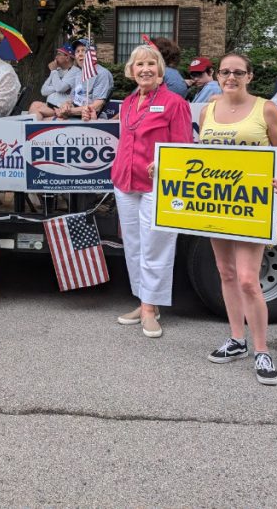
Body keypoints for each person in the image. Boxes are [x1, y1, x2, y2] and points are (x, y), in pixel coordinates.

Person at [198, 53, 277, 386]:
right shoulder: (207, 110)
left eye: (238, 72)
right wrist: (166, 168)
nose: (231, 77)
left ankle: (262, 350)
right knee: (226, 272)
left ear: (250, 76)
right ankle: (237, 339)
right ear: (217, 76)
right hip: (217, 204)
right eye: (225, 72)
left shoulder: (266, 109)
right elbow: (200, 154)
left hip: (251, 205)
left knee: (249, 280)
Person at [111, 44, 193, 339]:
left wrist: (164, 161)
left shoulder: (174, 103)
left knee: (156, 246)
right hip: (125, 181)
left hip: (156, 184)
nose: (145, 69)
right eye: (139, 64)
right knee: (133, 246)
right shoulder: (128, 102)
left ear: (160, 70)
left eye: (151, 63)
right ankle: (145, 301)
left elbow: (184, 146)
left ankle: (149, 307)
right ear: (131, 70)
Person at [55, 39, 114, 120]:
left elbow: (97, 106)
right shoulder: (79, 74)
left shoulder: (102, 73)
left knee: (52, 121)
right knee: (40, 112)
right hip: (74, 115)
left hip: (91, 118)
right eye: (77, 51)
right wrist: (66, 105)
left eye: (84, 50)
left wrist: (70, 111)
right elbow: (72, 99)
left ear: (92, 54)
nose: (80, 54)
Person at [29, 43, 79, 120]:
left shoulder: (75, 71)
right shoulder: (56, 70)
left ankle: (34, 127)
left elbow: (60, 88)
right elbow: (43, 91)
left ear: (67, 58)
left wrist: (54, 72)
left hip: (62, 108)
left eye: (59, 54)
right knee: (34, 104)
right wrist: (56, 83)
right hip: (50, 105)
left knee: (37, 109)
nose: (56, 57)